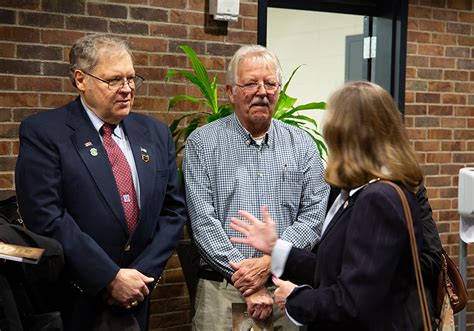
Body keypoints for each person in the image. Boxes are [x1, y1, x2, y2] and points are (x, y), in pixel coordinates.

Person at [15, 33, 186, 331]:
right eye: (114, 80)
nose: (127, 89)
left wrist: (139, 276)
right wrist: (109, 277)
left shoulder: (155, 134)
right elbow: (45, 216)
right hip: (76, 299)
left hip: (138, 294)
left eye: (132, 78)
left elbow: (173, 212)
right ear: (81, 79)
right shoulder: (44, 132)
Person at [230, 81, 429, 330]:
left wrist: (295, 299)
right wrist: (276, 247)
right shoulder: (360, 193)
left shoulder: (377, 200)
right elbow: (337, 269)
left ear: (342, 133)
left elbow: (353, 302)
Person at [182, 44, 329, 330]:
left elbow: (313, 217)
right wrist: (249, 284)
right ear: (230, 92)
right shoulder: (202, 144)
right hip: (223, 292)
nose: (262, 91)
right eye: (250, 83)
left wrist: (267, 264)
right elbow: (202, 222)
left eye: (270, 83)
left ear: (279, 90)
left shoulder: (303, 145)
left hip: (286, 292)